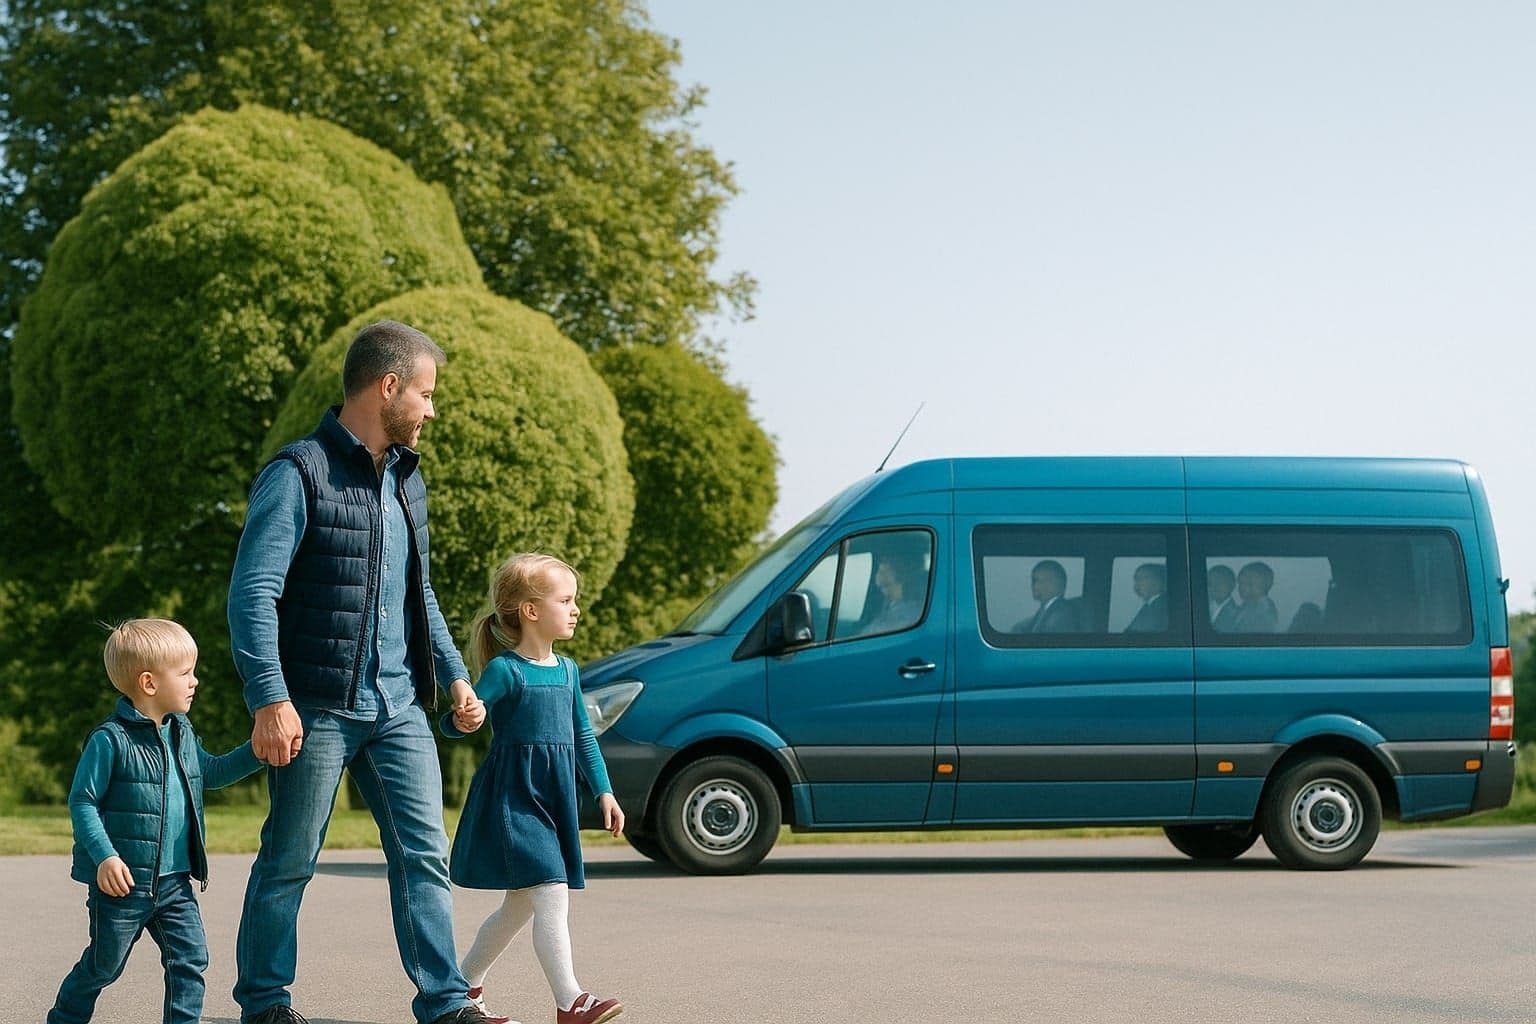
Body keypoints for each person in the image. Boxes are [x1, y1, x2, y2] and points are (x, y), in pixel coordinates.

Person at [227, 320, 491, 1024]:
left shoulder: (408, 479)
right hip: (315, 707)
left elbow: (417, 591)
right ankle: (264, 1004)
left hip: (399, 707)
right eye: (426, 394)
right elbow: (254, 593)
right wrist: (269, 697)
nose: (432, 410)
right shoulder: (297, 473)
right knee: (289, 861)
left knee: (424, 856)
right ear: (389, 386)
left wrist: (456, 676)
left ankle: (445, 1004)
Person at [48, 619, 263, 1024]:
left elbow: (211, 772)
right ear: (149, 683)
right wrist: (105, 857)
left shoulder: (181, 731)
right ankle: (64, 1018)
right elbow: (83, 801)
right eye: (185, 673)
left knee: (190, 960)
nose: (195, 681)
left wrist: (257, 751)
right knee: (104, 966)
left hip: (175, 884)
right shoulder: (110, 740)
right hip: (123, 886)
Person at [446, 553, 626, 1024]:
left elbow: (582, 735)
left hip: (553, 800)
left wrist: (604, 791)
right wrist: (465, 717)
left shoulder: (568, 670)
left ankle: (461, 987)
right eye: (565, 600)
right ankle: (571, 1002)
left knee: (520, 904)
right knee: (551, 889)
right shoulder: (506, 670)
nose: (575, 609)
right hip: (513, 799)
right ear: (530, 610)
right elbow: (464, 718)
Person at [862, 547, 928, 634]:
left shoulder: (906, 615)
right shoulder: (891, 606)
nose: (877, 576)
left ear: (899, 572)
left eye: (882, 571)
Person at [1016, 559, 1083, 632]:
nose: (1033, 586)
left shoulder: (1061, 615)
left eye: (1036, 580)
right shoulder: (1046, 611)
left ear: (1051, 583)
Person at [1232, 561, 1280, 633]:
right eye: (1240, 583)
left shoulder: (1262, 611)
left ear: (1265, 584)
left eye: (1249, 583)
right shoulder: (1247, 605)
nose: (1242, 587)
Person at [1124, 563, 1169, 633]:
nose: (1136, 584)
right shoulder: (1150, 605)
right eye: (1136, 580)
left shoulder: (1161, 606)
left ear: (1158, 581)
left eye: (1142, 579)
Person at [1208, 564, 1240, 632]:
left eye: (1219, 582)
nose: (1214, 587)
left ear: (1232, 584)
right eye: (1210, 583)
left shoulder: (1237, 614)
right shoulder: (1206, 607)